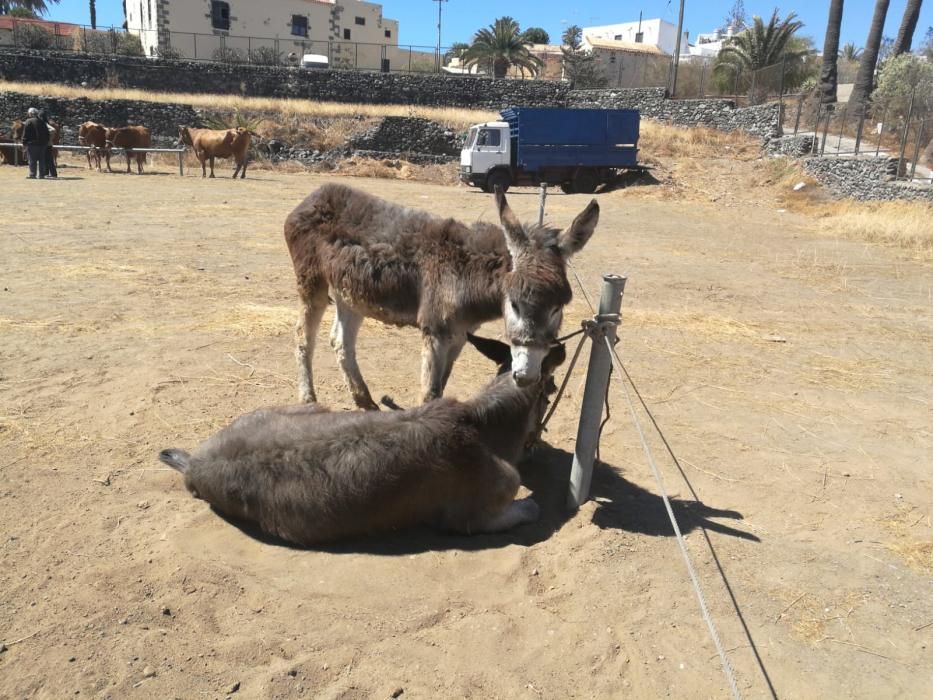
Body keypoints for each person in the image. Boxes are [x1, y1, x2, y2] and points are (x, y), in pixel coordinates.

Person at [20, 107, 49, 180]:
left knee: (32, 160)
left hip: (32, 144)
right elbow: (47, 133)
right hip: (43, 144)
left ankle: (33, 174)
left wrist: (24, 142)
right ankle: (41, 175)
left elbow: (25, 132)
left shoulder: (28, 121)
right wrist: (46, 142)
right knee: (42, 160)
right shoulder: (42, 121)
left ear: (30, 114)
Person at [38, 109, 58, 179]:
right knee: (45, 159)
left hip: (47, 145)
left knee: (49, 159)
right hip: (47, 144)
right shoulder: (43, 124)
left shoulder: (44, 124)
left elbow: (53, 130)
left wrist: (49, 139)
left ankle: (53, 174)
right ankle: (46, 173)